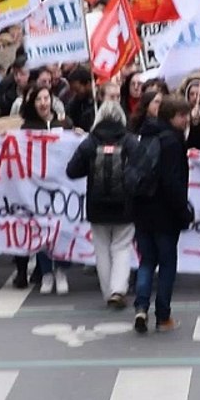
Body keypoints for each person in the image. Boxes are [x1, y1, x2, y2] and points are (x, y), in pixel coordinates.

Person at [65, 101, 137, 308]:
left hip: (96, 207)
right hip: (124, 206)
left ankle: (108, 293)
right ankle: (118, 289)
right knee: (122, 248)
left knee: (102, 249)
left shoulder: (90, 142)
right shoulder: (130, 141)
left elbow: (72, 171)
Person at [134, 95, 191, 334]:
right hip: (165, 212)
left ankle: (141, 306)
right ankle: (163, 315)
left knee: (147, 261)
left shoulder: (146, 135)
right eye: (182, 115)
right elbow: (172, 181)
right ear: (171, 117)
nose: (187, 119)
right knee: (167, 264)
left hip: (142, 209)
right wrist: (183, 210)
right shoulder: (172, 142)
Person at [19, 86, 71, 294]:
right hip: (37, 187)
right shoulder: (27, 128)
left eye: (46, 98)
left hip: (61, 185)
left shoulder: (64, 123)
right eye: (39, 99)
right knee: (41, 229)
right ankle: (46, 272)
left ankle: (61, 270)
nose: (43, 102)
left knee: (62, 230)